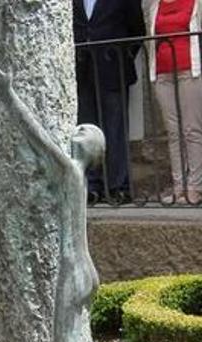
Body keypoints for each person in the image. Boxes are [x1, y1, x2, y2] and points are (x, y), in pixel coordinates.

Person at [0, 63, 113, 342]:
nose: (78, 130)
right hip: (85, 271)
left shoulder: (73, 173)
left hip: (74, 271)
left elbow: (40, 140)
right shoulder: (78, 178)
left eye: (85, 131)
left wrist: (9, 96)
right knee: (83, 335)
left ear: (92, 149)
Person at [73, 0, 145, 201]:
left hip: (112, 66)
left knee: (115, 129)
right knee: (87, 130)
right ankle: (92, 186)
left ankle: (118, 187)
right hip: (82, 68)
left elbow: (136, 28)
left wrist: (123, 54)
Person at [145, 0, 202, 204]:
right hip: (162, 73)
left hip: (190, 70)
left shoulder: (195, 3)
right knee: (173, 132)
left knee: (192, 129)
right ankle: (179, 187)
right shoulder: (155, 5)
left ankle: (195, 187)